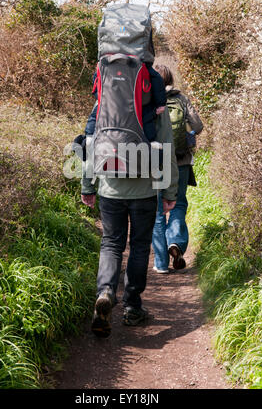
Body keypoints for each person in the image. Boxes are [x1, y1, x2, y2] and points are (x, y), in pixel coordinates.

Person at [81, 107, 179, 338]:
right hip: (144, 189)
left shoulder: (104, 99)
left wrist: (88, 184)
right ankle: (132, 308)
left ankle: (105, 292)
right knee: (139, 246)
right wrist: (170, 191)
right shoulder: (156, 103)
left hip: (109, 188)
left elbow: (90, 143)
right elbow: (167, 148)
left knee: (111, 244)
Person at [151, 65, 203, 274]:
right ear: (171, 78)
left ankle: (161, 263)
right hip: (180, 161)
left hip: (154, 162)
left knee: (157, 212)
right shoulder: (181, 99)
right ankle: (175, 242)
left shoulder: (149, 99)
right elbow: (197, 126)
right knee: (178, 204)